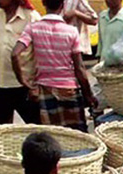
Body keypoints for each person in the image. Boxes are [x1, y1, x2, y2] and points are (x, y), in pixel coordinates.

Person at [12, 0, 97, 132]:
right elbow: (79, 68)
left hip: (45, 90)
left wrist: (24, 82)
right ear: (62, 5)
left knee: (52, 134)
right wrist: (89, 95)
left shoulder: (33, 28)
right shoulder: (71, 31)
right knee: (78, 135)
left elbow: (15, 54)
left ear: (43, 3)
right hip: (69, 90)